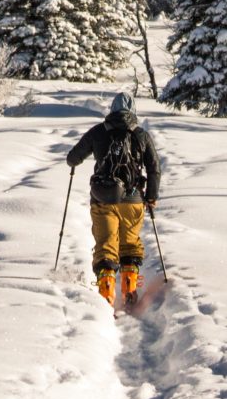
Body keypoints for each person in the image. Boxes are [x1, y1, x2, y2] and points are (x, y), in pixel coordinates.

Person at [66, 91, 161, 307]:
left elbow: (73, 158)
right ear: (133, 111)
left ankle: (106, 296)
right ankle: (129, 288)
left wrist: (74, 163)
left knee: (106, 246)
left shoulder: (99, 132)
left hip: (102, 199)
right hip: (133, 200)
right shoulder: (141, 135)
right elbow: (154, 167)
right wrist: (152, 197)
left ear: (112, 110)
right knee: (130, 245)